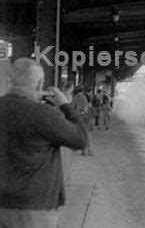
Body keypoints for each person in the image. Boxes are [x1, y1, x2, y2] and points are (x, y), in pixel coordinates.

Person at [0, 58, 87, 228]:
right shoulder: (44, 115)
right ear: (40, 85)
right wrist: (65, 105)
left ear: (11, 81)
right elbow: (81, 138)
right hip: (34, 209)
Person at [72, 87, 94, 156]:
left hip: (78, 117)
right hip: (86, 118)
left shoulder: (74, 97)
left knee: (82, 134)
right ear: (82, 91)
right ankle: (89, 151)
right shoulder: (84, 97)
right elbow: (86, 108)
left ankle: (83, 151)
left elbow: (72, 108)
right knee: (89, 135)